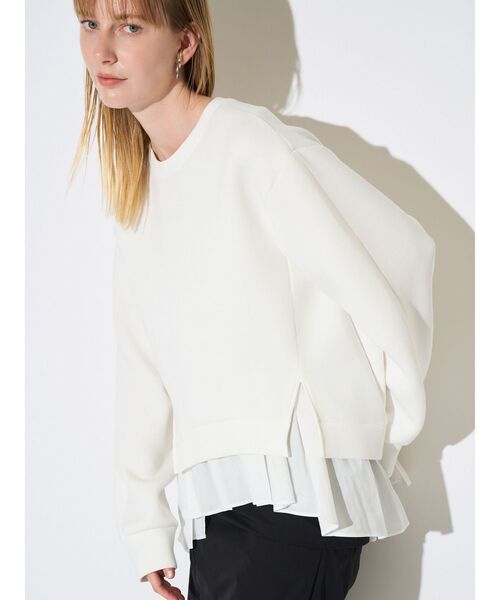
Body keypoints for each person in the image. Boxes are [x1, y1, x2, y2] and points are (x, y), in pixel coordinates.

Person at [71, 1, 436, 599]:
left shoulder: (250, 145)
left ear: (185, 43)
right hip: (220, 504)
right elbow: (142, 367)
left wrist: (372, 427)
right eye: (90, 24)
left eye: (130, 26)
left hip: (293, 497)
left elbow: (405, 250)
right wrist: (146, 527)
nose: (102, 50)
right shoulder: (139, 189)